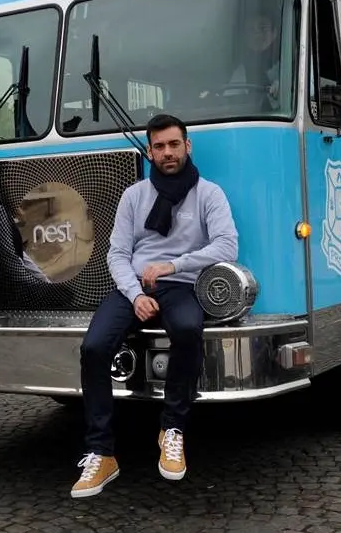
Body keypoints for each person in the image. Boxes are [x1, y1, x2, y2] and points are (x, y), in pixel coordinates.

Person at [70, 113, 239, 498]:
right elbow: (116, 254)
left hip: (180, 285)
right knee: (93, 348)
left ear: (187, 146)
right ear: (149, 150)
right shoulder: (134, 195)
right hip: (135, 287)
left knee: (187, 330)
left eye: (173, 144)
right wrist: (136, 295)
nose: (167, 153)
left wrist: (173, 265)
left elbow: (227, 245)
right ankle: (101, 453)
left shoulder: (209, 194)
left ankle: (172, 428)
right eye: (159, 146)